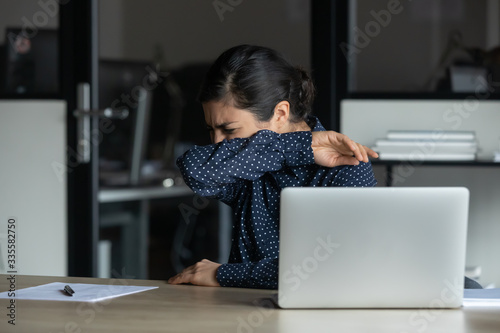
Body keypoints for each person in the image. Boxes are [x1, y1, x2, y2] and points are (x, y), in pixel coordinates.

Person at [168, 45, 378, 289]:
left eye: (229, 130)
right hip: (236, 313)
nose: (217, 143)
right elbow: (195, 171)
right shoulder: (246, 162)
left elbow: (337, 267)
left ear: (280, 113)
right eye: (211, 130)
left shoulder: (348, 166)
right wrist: (298, 147)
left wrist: (224, 274)